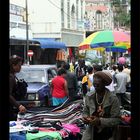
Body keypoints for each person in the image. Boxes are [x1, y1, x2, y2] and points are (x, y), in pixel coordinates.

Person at [82, 71, 121, 140]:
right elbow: (85, 111)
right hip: (92, 131)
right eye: (94, 84)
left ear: (104, 84)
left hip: (108, 132)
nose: (95, 87)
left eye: (98, 85)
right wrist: (85, 118)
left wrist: (100, 121)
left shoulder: (113, 98)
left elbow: (117, 120)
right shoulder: (89, 96)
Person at [10, 55, 26, 121]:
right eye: (19, 65)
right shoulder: (10, 77)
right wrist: (19, 106)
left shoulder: (13, 76)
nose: (20, 67)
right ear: (13, 65)